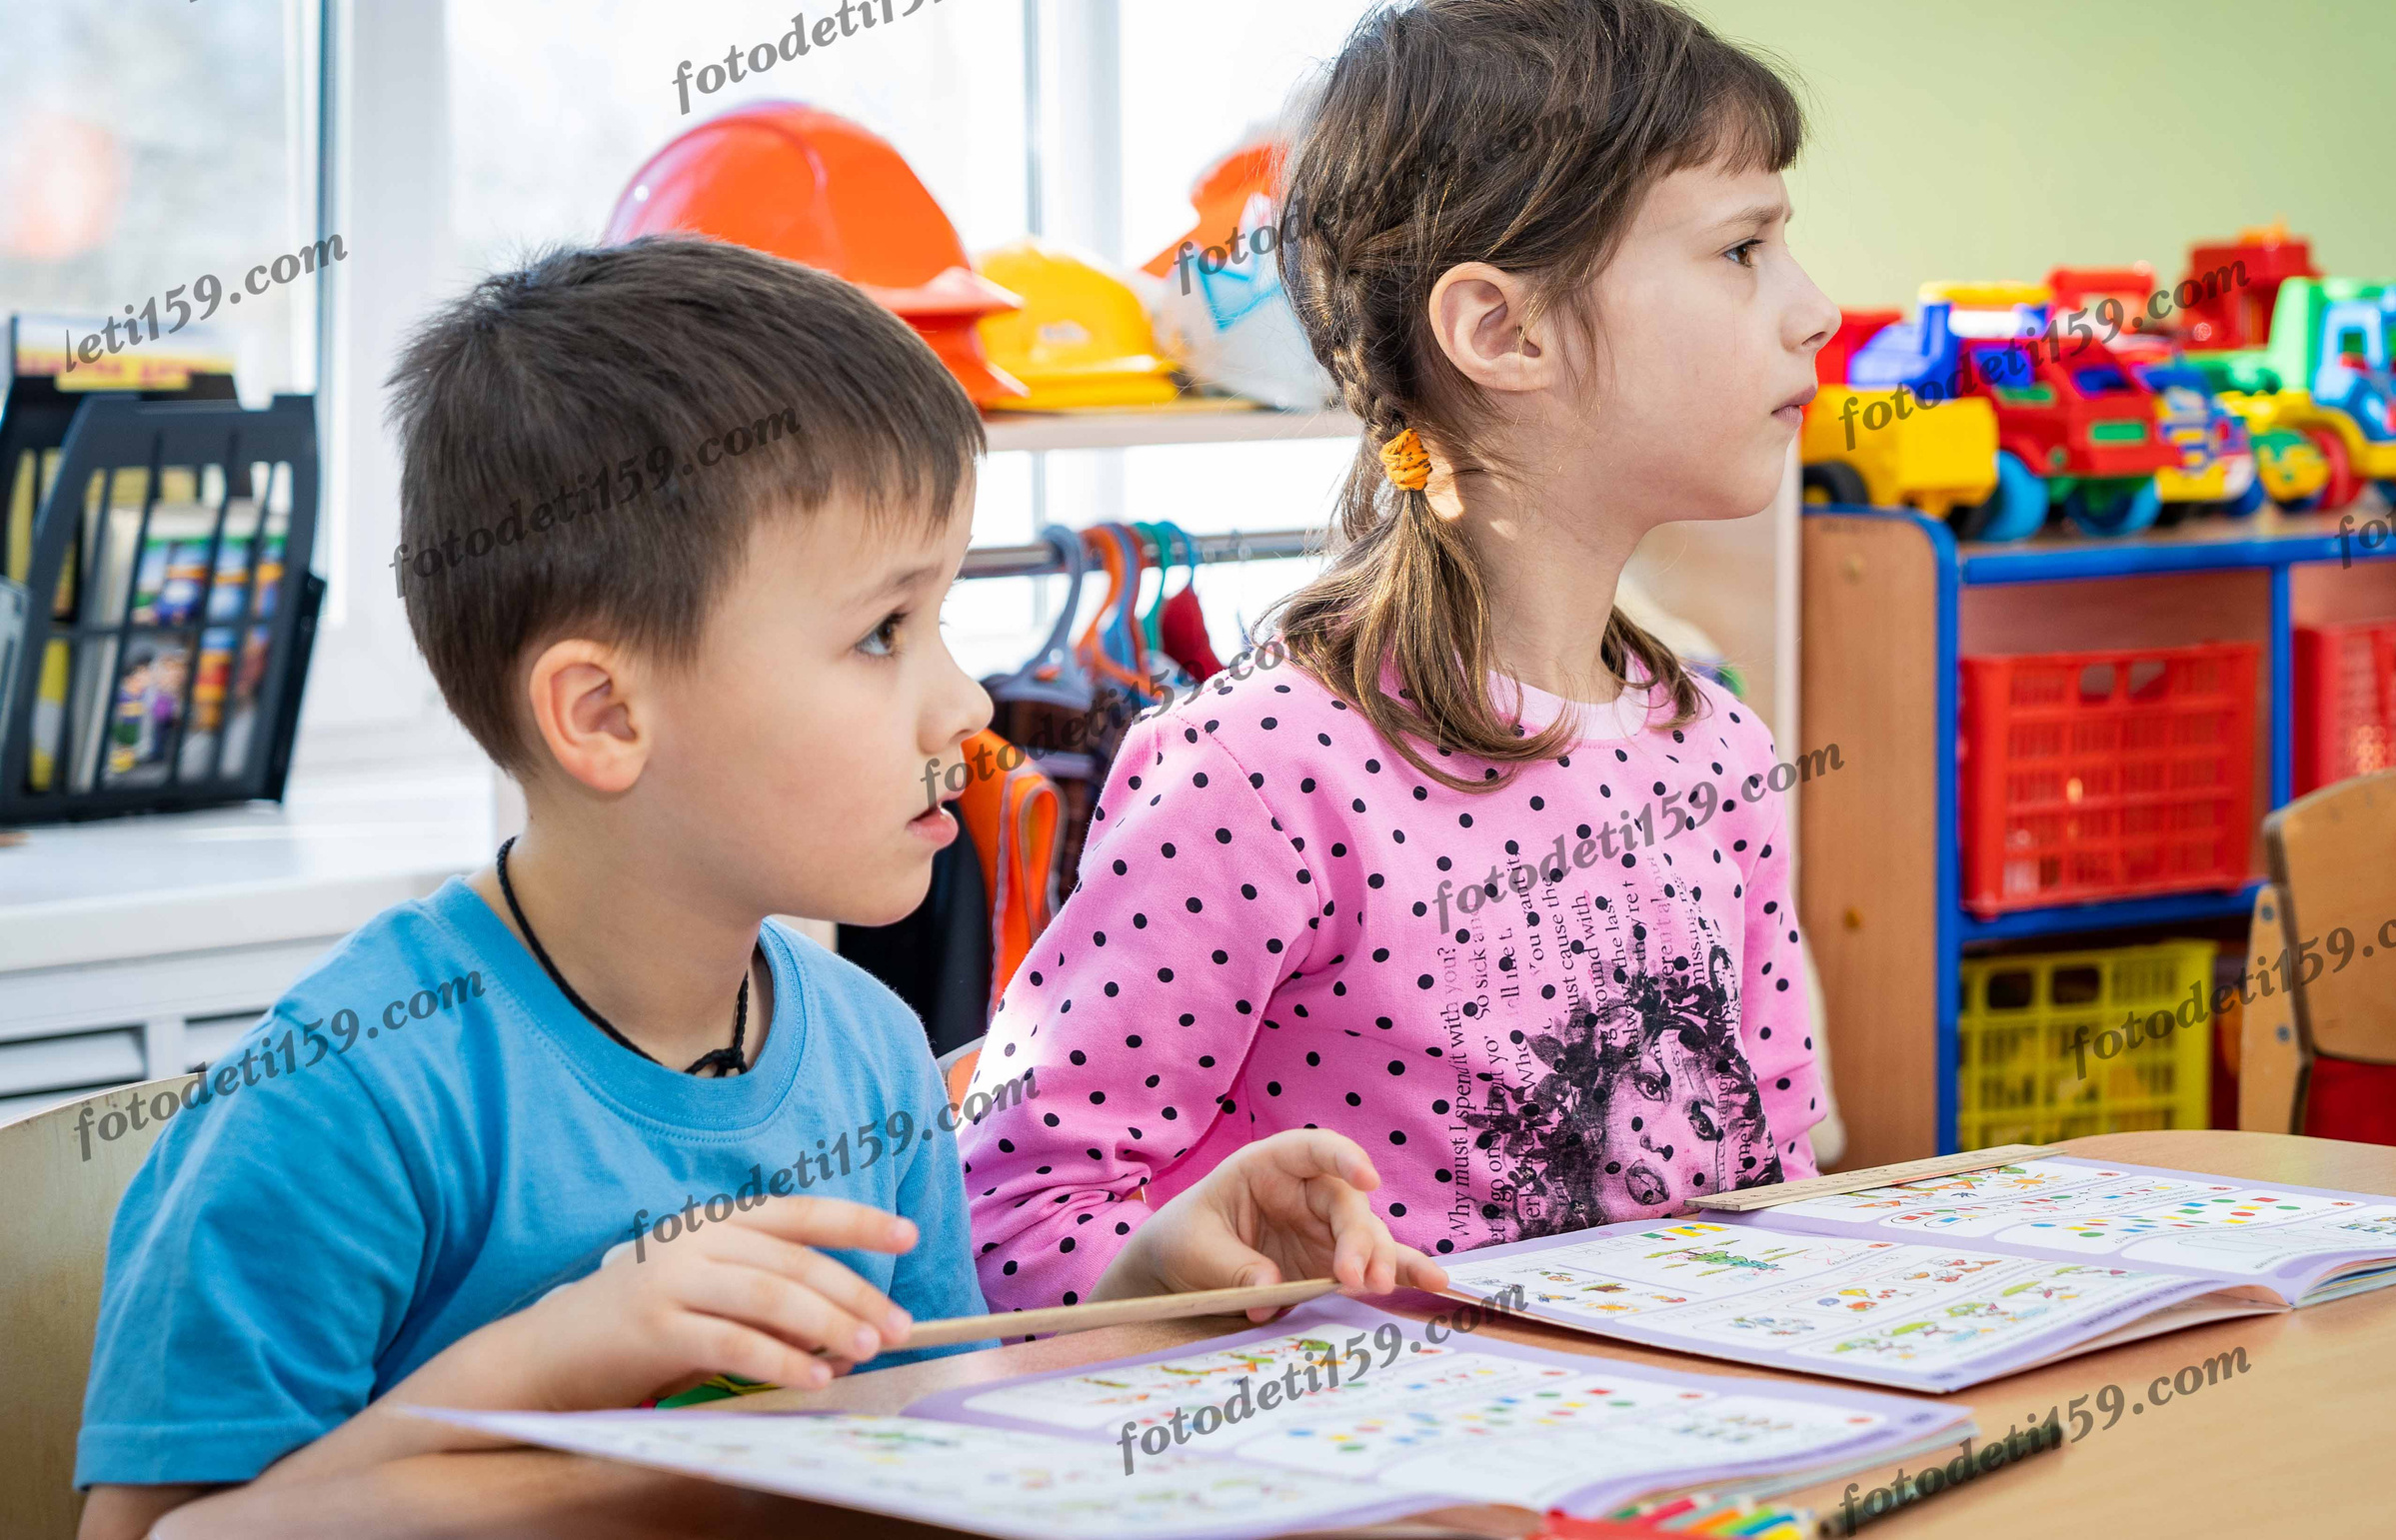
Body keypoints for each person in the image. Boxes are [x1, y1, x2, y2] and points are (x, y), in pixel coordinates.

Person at [76, 237, 1442, 1540]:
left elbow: (922, 1431)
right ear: (605, 715)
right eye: (882, 633)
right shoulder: (347, 1093)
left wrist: (1152, 1295)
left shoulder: (868, 1050)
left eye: (942, 620)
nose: (967, 704)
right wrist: (543, 1364)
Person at [961, 0, 1835, 1313]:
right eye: (1741, 249)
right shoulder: (1258, 768)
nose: (1815, 309)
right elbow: (1009, 1216)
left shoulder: (1718, 748)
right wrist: (1170, 1273)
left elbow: (1777, 1179)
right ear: (1504, 328)